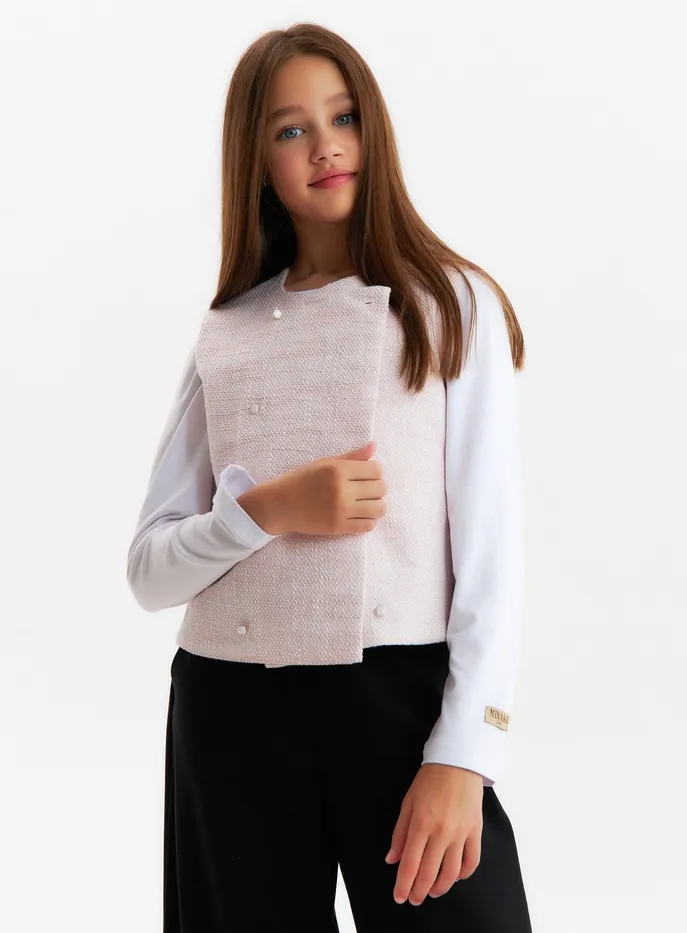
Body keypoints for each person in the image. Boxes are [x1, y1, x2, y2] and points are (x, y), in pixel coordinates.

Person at [126, 21, 533, 933]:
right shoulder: (229, 330)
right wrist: (264, 511)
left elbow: (493, 557)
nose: (325, 146)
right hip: (231, 710)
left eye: (342, 116)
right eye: (290, 128)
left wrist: (465, 753)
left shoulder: (449, 303)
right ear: (256, 160)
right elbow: (149, 570)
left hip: (400, 704)